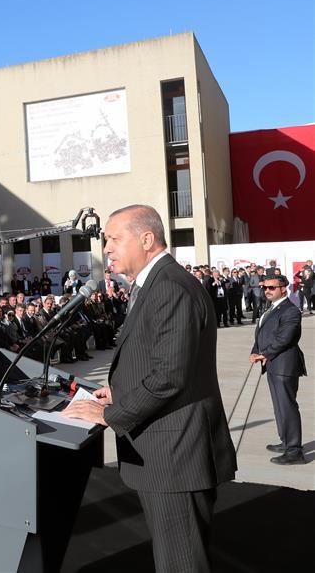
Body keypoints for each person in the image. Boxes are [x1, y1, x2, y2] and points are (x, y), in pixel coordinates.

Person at [63, 204, 236, 572]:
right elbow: (156, 360)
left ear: (147, 239)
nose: (106, 248)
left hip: (175, 455)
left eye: (114, 238)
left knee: (181, 563)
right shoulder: (154, 284)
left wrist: (112, 414)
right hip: (168, 450)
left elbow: (169, 375)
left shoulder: (169, 287)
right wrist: (120, 391)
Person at [249, 274, 307, 465]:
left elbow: (286, 337)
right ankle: (286, 441)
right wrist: (255, 350)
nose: (267, 291)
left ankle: (294, 451)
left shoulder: (290, 310)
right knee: (279, 406)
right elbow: (263, 332)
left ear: (284, 289)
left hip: (284, 365)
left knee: (287, 407)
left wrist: (264, 353)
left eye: (271, 287)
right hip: (273, 364)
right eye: (265, 287)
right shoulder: (272, 308)